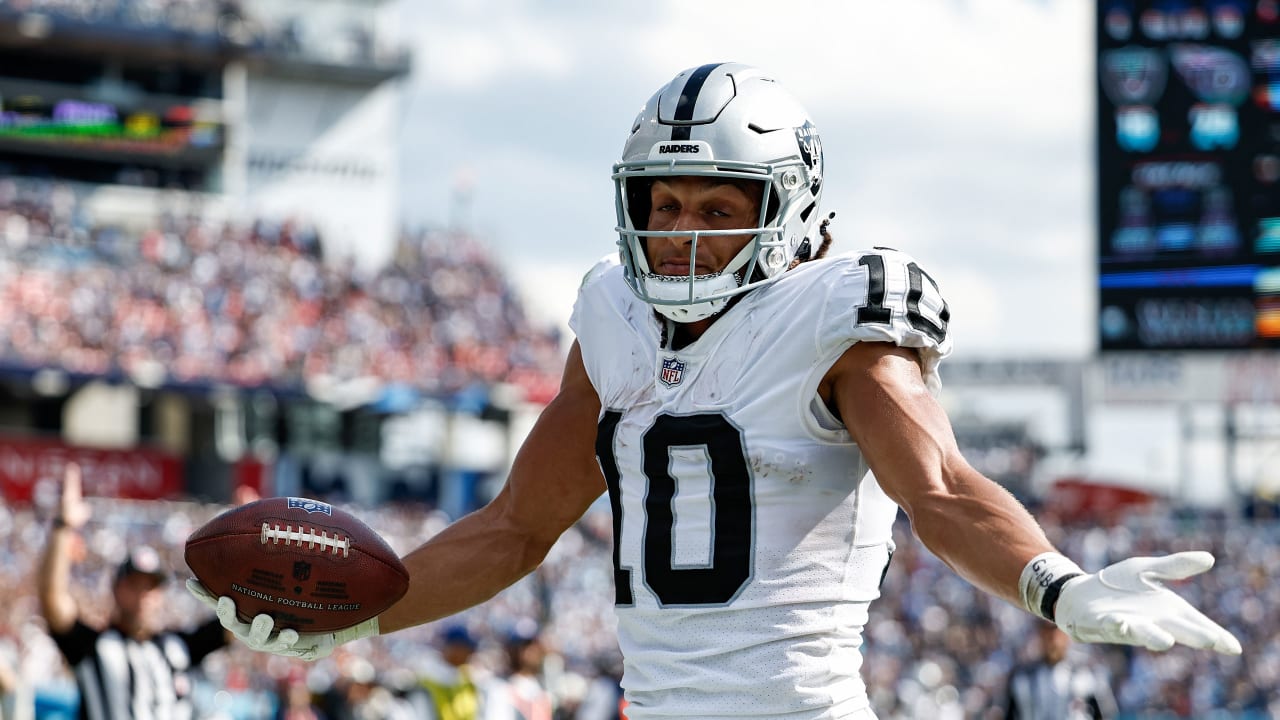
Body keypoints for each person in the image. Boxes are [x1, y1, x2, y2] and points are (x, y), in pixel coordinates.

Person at [189, 62, 1241, 720]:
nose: (682, 228)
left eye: (715, 204)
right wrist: (362, 620)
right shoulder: (610, 314)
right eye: (664, 201)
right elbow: (514, 529)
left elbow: (942, 492)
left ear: (786, 209)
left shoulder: (835, 315)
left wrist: (1056, 584)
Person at [38, 464, 229, 720]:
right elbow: (52, 600)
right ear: (116, 590)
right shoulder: (94, 646)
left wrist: (254, 554)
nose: (143, 595)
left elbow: (231, 625)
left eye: (151, 587)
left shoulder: (178, 646)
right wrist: (62, 527)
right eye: (134, 585)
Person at [1003, 621, 1118, 719]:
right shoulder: (1022, 679)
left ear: (1067, 636)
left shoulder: (1086, 677)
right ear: (1040, 635)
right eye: (1047, 633)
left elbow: (1104, 714)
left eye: (1057, 632)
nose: (1053, 640)